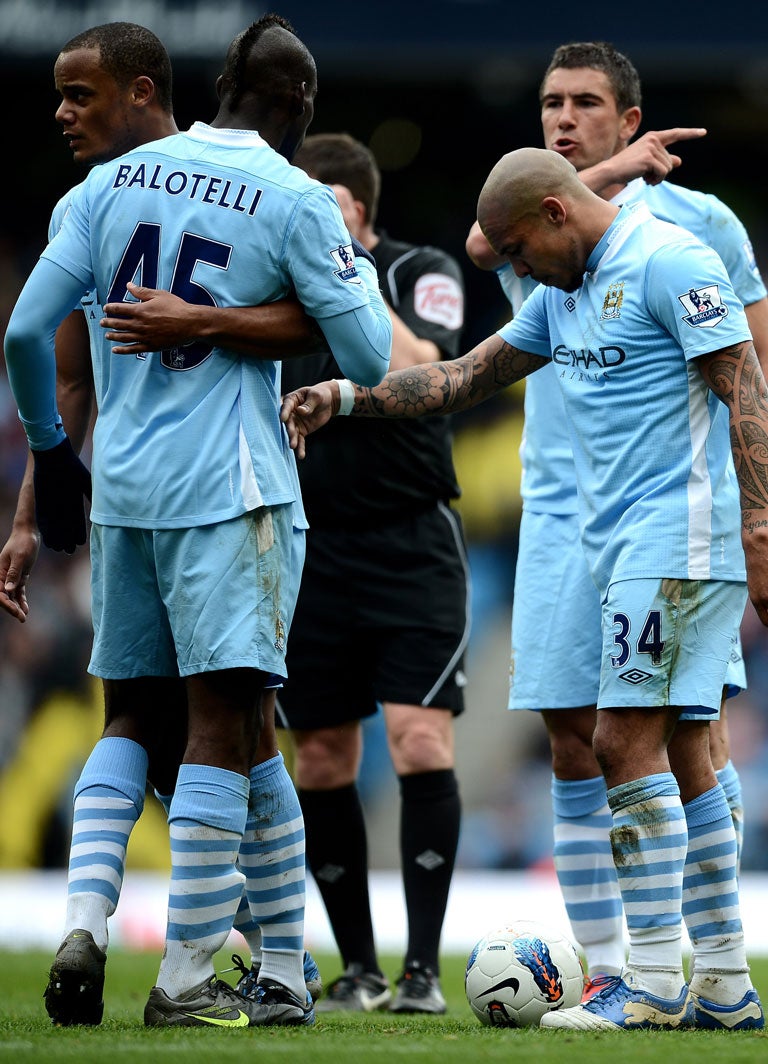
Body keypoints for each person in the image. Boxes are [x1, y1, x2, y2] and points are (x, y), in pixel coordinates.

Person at [281, 146, 768, 1031]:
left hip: (677, 538)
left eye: (517, 251)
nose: (512, 270)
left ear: (554, 214)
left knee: (621, 742)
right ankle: (727, 987)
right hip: (611, 545)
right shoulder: (562, 293)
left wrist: (763, 527)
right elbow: (462, 377)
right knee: (690, 750)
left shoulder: (669, 261)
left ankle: (652, 985)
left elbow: (746, 391)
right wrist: (347, 398)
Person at [3, 13, 391, 1030]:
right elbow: (367, 355)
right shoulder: (294, 195)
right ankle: (184, 970)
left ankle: (121, 926)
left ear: (216, 81)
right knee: (229, 722)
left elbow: (24, 332)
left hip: (123, 492)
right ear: (301, 110)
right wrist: (226, 318)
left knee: (135, 715)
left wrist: (49, 458)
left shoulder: (103, 189)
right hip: (232, 490)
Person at [464, 40, 768, 993]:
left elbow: (748, 364)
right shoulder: (524, 220)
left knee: (684, 734)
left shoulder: (697, 225)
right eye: (551, 102)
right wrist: (605, 175)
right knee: (571, 736)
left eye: (587, 103)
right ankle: (604, 975)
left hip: (671, 511)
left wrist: (751, 514)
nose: (563, 117)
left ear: (632, 118)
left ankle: (703, 968)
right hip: (557, 507)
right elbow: (483, 247)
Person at [279, 133, 468, 1014]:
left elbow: (426, 366)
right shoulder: (270, 287)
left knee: (420, 739)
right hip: (307, 546)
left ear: (356, 204)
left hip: (409, 542)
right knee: (319, 755)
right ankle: (357, 968)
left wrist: (346, 267)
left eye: (322, 203)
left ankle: (423, 972)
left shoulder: (419, 269)